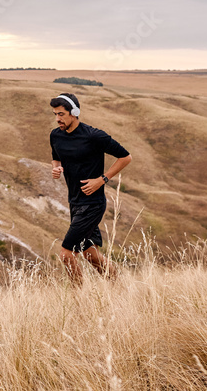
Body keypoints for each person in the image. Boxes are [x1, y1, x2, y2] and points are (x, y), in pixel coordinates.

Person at [49, 92, 131, 284]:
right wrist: (55, 169)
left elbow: (126, 157)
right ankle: (120, 287)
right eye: (55, 114)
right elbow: (56, 157)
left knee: (66, 255)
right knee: (90, 254)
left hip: (92, 204)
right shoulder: (56, 135)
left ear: (74, 112)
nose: (57, 119)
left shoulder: (94, 136)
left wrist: (102, 179)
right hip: (75, 201)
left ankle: (80, 301)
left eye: (61, 114)